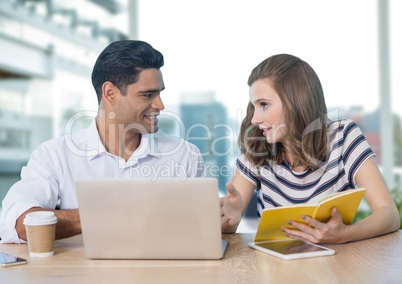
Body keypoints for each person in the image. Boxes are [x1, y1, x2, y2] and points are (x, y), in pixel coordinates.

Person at [0, 40, 204, 244]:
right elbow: (15, 223)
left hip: (164, 275)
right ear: (110, 93)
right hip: (77, 275)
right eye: (148, 95)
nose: (160, 105)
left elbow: (203, 229)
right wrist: (105, 216)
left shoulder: (184, 155)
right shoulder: (54, 156)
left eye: (159, 93)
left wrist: (225, 217)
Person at [220, 54, 400, 243]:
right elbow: (230, 225)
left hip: (335, 265)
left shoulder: (343, 137)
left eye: (264, 105)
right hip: (274, 267)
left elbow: (388, 214)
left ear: (296, 102)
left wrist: (345, 234)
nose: (255, 119)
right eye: (254, 106)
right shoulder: (257, 147)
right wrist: (230, 218)